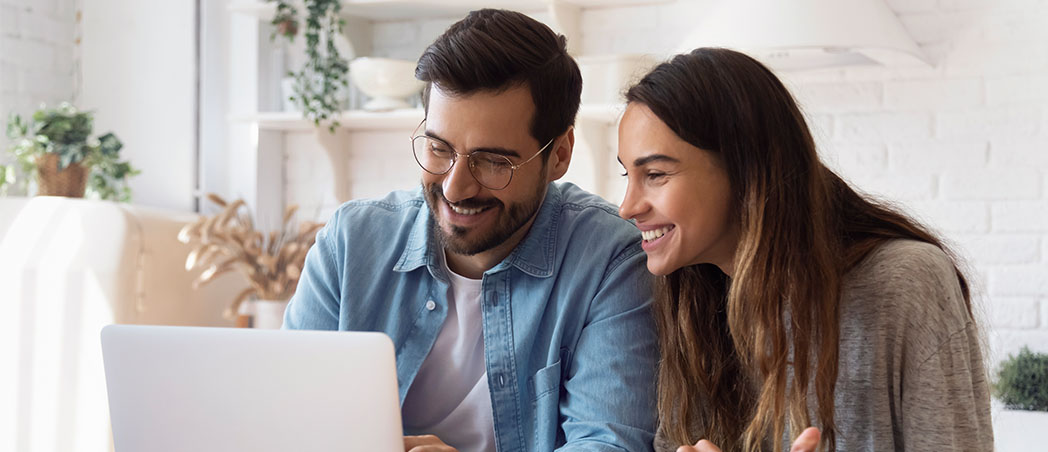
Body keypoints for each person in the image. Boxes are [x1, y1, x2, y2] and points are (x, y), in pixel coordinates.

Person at [284, 9, 657, 452]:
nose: (455, 186)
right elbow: (288, 418)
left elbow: (609, 444)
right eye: (439, 149)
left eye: (494, 161)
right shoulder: (351, 243)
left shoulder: (610, 259)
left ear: (559, 154)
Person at [615, 48, 993, 452]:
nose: (627, 207)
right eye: (627, 174)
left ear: (746, 170)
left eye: (654, 174)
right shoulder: (690, 300)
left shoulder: (905, 282)